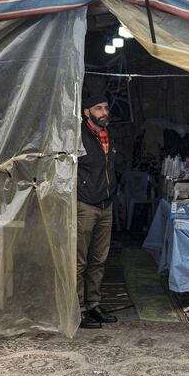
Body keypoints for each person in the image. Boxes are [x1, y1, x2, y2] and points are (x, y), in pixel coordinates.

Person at [76, 94, 118, 329]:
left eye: (106, 107)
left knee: (99, 259)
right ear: (86, 112)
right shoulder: (78, 135)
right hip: (84, 205)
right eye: (98, 108)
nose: (104, 112)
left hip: (106, 204)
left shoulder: (108, 135)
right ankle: (78, 308)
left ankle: (93, 303)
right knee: (79, 261)